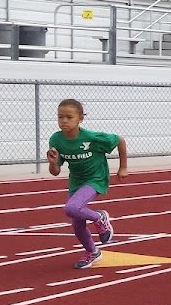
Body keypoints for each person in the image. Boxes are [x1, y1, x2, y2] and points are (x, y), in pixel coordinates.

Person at [47, 99, 127, 269]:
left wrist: (123, 167)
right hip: (77, 181)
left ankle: (100, 218)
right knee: (76, 223)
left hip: (95, 179)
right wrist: (53, 162)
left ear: (80, 119)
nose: (64, 121)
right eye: (60, 117)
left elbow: (120, 140)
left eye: (69, 117)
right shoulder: (56, 139)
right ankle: (93, 252)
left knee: (71, 208)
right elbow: (55, 171)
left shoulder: (91, 138)